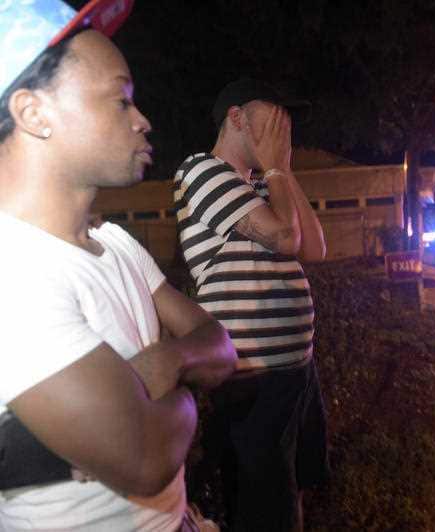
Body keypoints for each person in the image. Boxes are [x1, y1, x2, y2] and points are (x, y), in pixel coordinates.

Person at [0, 1, 237, 530]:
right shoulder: (12, 273)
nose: (142, 119)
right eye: (120, 99)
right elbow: (148, 457)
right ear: (34, 113)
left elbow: (220, 346)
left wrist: (168, 364)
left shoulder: (115, 243)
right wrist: (183, 378)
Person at [174, 78, 329, 531]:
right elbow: (285, 238)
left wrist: (282, 171)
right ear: (236, 118)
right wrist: (277, 169)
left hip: (296, 371)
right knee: (264, 510)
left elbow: (315, 247)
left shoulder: (263, 185)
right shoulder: (202, 171)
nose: (285, 124)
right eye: (273, 114)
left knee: (291, 490)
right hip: (253, 380)